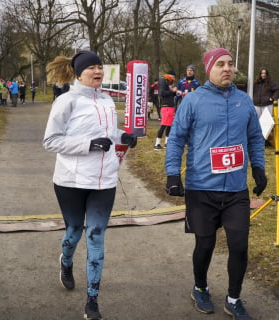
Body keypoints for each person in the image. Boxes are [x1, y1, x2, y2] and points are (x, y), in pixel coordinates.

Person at [165, 48, 267, 319]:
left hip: (236, 189)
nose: (227, 69)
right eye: (220, 64)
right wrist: (173, 174)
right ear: (208, 68)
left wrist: (258, 167)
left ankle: (233, 299)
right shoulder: (193, 100)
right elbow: (176, 138)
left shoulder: (243, 101)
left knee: (240, 245)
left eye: (231, 64)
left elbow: (255, 137)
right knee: (205, 245)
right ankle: (200, 287)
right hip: (202, 188)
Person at [43, 51, 137, 320]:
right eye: (92, 68)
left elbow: (108, 134)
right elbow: (50, 141)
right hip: (71, 180)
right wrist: (88, 145)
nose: (98, 71)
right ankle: (66, 261)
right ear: (79, 73)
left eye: (100, 67)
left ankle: (92, 301)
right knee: (74, 230)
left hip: (104, 180)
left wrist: (124, 136)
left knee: (96, 235)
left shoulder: (107, 100)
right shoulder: (66, 102)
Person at [253, 68, 279, 147]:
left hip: (267, 105)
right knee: (256, 123)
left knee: (267, 123)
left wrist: (273, 98)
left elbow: (278, 90)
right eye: (262, 73)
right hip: (256, 105)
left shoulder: (271, 83)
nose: (263, 75)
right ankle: (258, 140)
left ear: (267, 74)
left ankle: (267, 141)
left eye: (265, 73)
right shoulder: (255, 83)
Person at [154, 70, 181, 150]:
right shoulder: (163, 80)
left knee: (169, 125)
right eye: (174, 77)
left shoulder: (168, 82)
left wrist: (175, 92)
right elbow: (162, 93)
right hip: (166, 106)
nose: (174, 79)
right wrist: (172, 91)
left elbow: (169, 94)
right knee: (164, 125)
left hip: (170, 105)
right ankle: (157, 144)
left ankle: (167, 143)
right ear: (171, 75)